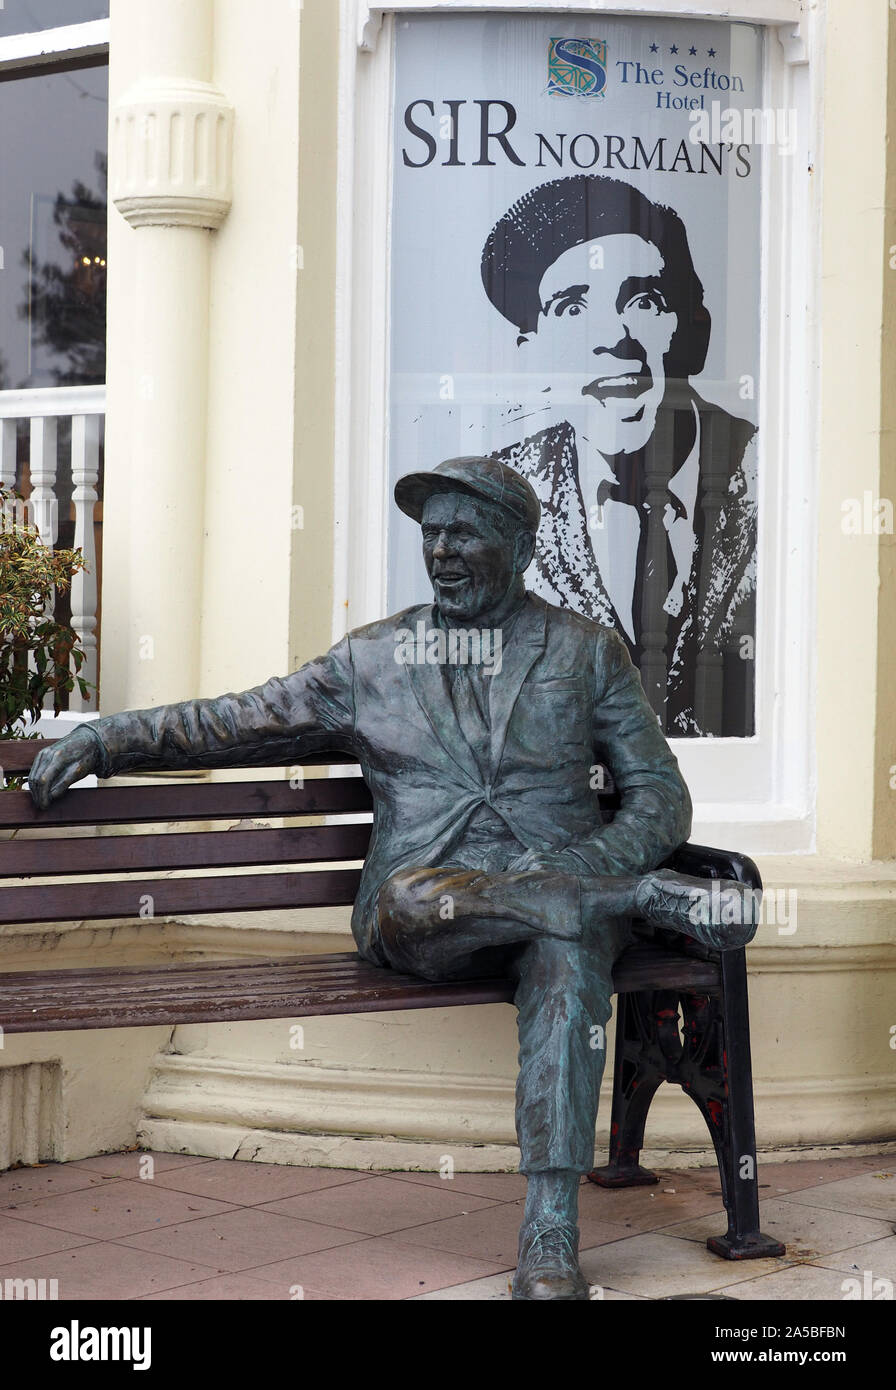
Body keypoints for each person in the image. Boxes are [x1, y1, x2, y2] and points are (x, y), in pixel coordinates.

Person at [29, 456, 759, 1300]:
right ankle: (632, 899)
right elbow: (233, 721)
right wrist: (108, 737)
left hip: (561, 895)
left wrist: (581, 865)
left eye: (464, 532)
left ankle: (550, 1228)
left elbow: (661, 798)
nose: (442, 550)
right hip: (424, 915)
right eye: (431, 533)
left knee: (566, 947)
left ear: (520, 546)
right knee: (420, 896)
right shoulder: (373, 659)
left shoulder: (586, 653)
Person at [481, 174, 757, 737]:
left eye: (644, 301)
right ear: (532, 354)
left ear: (686, 328)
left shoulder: (766, 471)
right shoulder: (504, 492)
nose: (614, 336)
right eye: (571, 308)